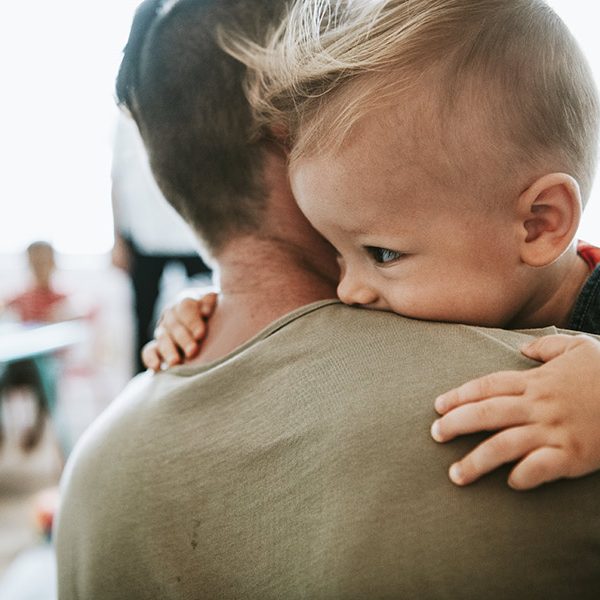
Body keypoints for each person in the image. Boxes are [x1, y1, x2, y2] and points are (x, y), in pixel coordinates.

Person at [54, 1, 600, 598]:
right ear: (284, 147)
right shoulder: (431, 290)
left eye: (381, 254)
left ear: (540, 225)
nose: (350, 289)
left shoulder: (90, 478)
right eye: (342, 252)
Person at [111, 110, 212, 372]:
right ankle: (140, 382)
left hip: (192, 233)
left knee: (210, 308)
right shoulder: (124, 124)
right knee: (143, 320)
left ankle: (206, 370)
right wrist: (118, 241)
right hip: (144, 238)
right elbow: (116, 181)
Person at [0, 242, 70, 451]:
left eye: (44, 263)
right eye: (34, 263)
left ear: (53, 265)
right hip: (18, 363)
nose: (39, 268)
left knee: (46, 381)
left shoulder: (61, 298)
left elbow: (77, 314)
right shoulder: (23, 296)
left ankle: (36, 429)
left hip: (46, 364)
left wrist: (62, 315)